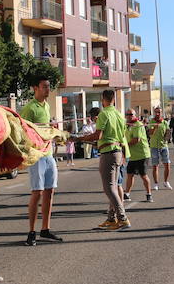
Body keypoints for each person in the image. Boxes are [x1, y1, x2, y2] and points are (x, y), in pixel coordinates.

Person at [76, 89, 131, 230]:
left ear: (103, 99)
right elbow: (114, 135)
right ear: (113, 99)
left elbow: (98, 135)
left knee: (109, 188)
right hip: (118, 151)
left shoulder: (104, 114)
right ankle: (111, 219)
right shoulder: (119, 114)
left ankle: (122, 218)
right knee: (113, 186)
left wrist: (80, 138)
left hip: (109, 153)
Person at [19, 76, 63, 246]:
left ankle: (45, 228)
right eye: (44, 87)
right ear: (35, 88)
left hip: (49, 154)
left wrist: (53, 131)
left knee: (50, 191)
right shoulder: (30, 108)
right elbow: (23, 130)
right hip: (37, 156)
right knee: (36, 192)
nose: (47, 90)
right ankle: (31, 231)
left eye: (48, 87)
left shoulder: (46, 105)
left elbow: (45, 129)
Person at [123, 109, 153, 202]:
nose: (129, 116)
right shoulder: (127, 125)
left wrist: (125, 146)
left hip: (142, 154)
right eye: (127, 114)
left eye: (131, 114)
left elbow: (136, 139)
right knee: (129, 175)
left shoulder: (138, 124)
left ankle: (149, 194)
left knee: (143, 175)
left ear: (135, 115)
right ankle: (127, 194)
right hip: (132, 155)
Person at [148, 106, 173, 190]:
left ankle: (166, 182)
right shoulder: (151, 121)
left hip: (164, 146)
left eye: (159, 112)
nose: (157, 114)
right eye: (156, 112)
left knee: (167, 164)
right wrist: (155, 127)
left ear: (161, 113)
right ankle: (156, 183)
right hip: (154, 146)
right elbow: (150, 134)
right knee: (155, 165)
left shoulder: (165, 122)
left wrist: (167, 137)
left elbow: (168, 132)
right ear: (154, 113)